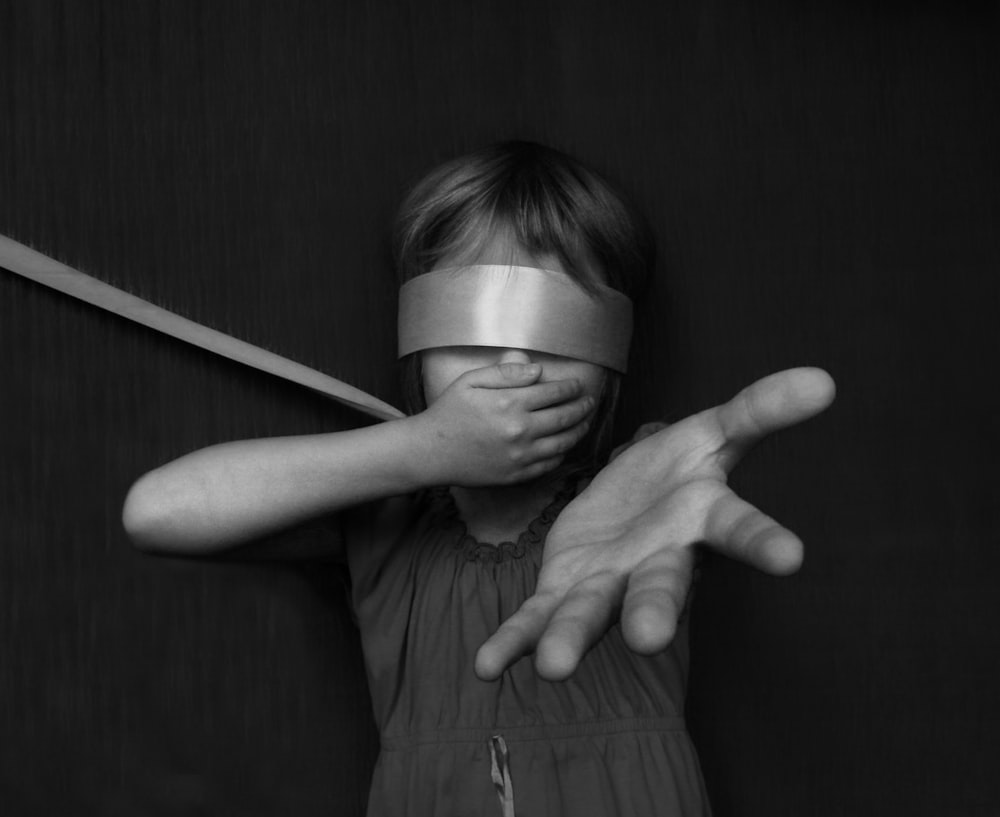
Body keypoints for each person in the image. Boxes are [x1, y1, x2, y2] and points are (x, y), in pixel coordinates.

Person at [123, 141, 835, 816]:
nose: (516, 366)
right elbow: (157, 510)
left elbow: (671, 490)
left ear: (615, 354)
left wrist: (677, 492)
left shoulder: (640, 493)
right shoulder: (383, 514)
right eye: (472, 321)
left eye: (562, 326)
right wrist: (422, 448)